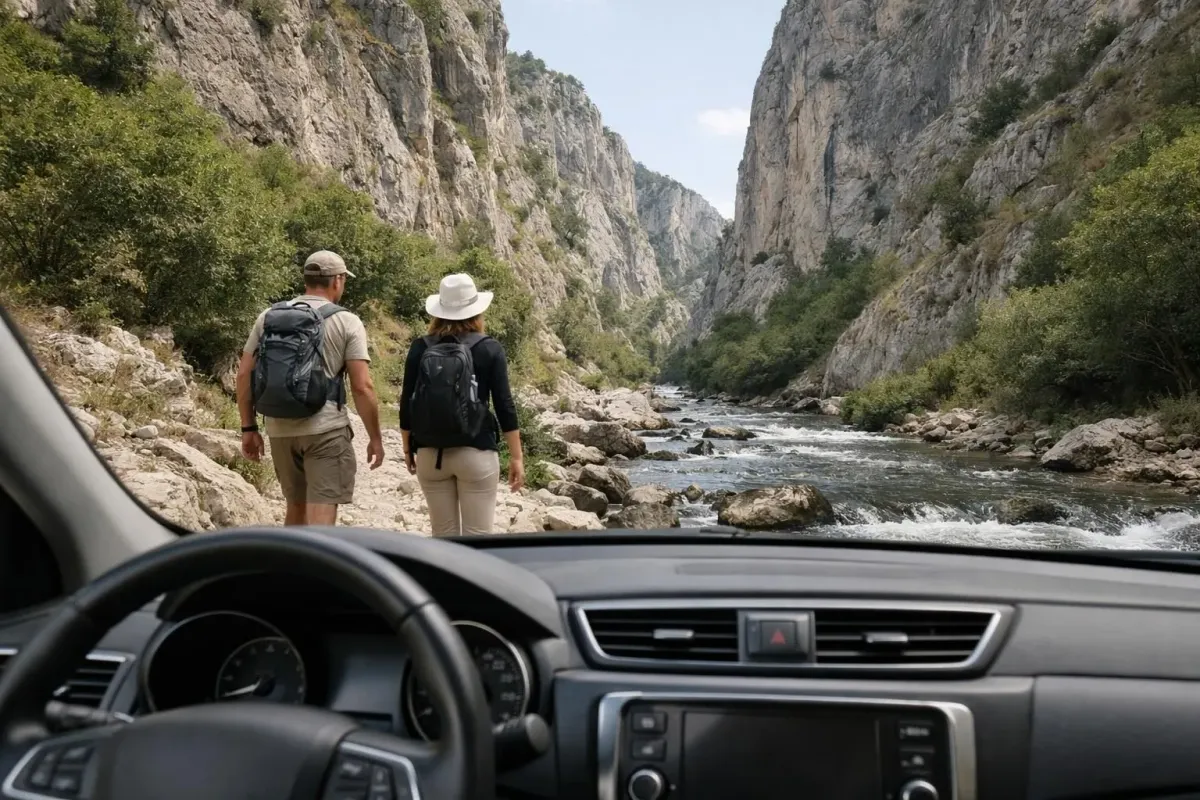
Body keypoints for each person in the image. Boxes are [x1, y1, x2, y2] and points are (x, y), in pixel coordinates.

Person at [236, 250, 384, 526]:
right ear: (337, 281)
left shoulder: (269, 316)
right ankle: (316, 568)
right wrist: (375, 437)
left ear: (306, 279)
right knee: (321, 519)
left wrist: (248, 429)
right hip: (325, 431)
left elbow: (244, 373)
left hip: (279, 429)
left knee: (296, 509)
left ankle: (290, 568)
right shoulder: (346, 321)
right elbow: (363, 386)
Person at [400, 273, 524, 536]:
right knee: (477, 541)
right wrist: (516, 457)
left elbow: (407, 402)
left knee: (443, 539)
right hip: (476, 453)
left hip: (431, 455)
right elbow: (505, 405)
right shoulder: (490, 348)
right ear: (476, 311)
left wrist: (408, 448)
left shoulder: (420, 347)